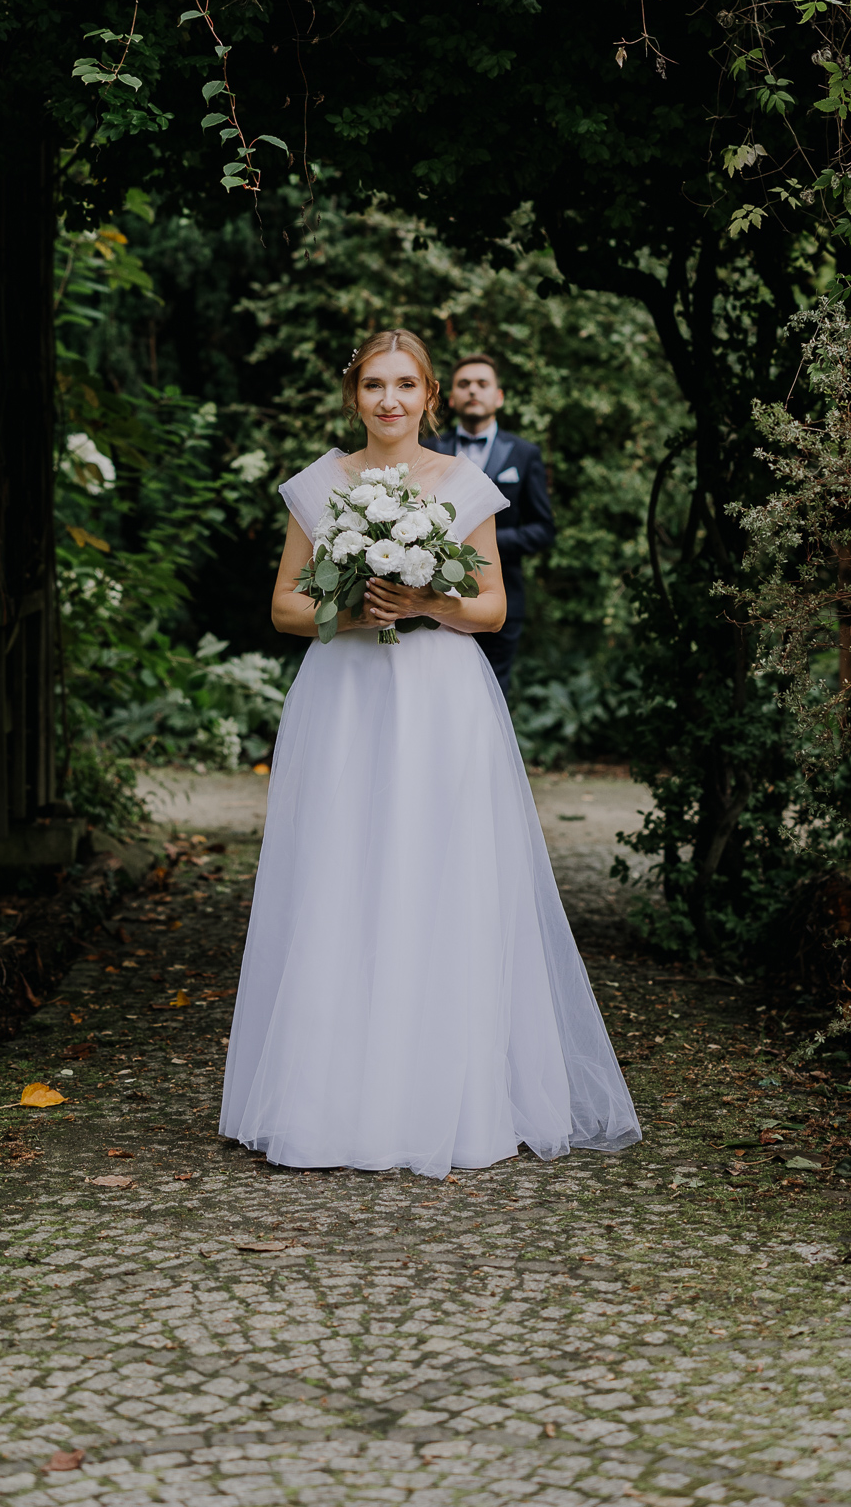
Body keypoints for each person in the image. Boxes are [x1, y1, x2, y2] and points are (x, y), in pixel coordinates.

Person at [219, 329, 640, 1178]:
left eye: (405, 385)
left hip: (441, 700)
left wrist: (425, 602)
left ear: (430, 397)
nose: (390, 400)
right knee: (343, 868)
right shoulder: (317, 485)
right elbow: (285, 607)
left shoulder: (465, 484)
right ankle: (328, 1098)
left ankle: (447, 1093)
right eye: (374, 385)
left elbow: (490, 607)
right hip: (345, 698)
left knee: (440, 868)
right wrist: (354, 612)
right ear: (354, 396)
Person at [422, 353, 554, 695]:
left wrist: (485, 545)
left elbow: (542, 529)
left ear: (499, 396)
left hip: (503, 598)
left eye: (482, 384)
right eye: (464, 384)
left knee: (491, 695)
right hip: (433, 599)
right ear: (451, 398)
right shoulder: (426, 450)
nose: (473, 390)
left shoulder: (524, 453)